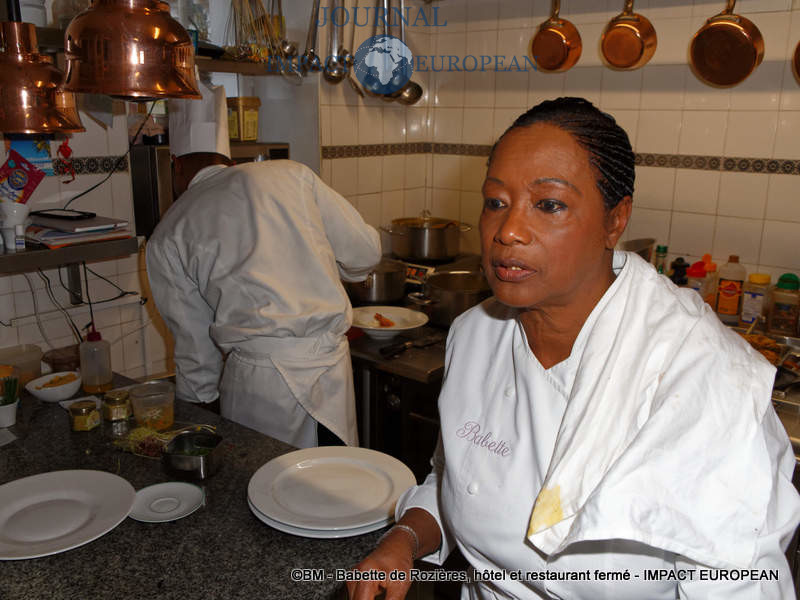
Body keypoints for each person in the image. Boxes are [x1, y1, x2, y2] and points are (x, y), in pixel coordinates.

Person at [347, 97, 800, 599]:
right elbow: (457, 478)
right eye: (496, 201)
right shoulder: (476, 334)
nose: (508, 231)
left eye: (549, 205)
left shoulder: (701, 380)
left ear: (615, 220)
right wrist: (404, 539)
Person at [146, 81, 381, 448]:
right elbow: (365, 254)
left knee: (268, 490)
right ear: (229, 160)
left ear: (176, 166)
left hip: (259, 385)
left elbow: (195, 350)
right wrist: (345, 272)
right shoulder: (291, 175)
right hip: (332, 369)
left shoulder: (168, 233)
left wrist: (198, 414)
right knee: (336, 486)